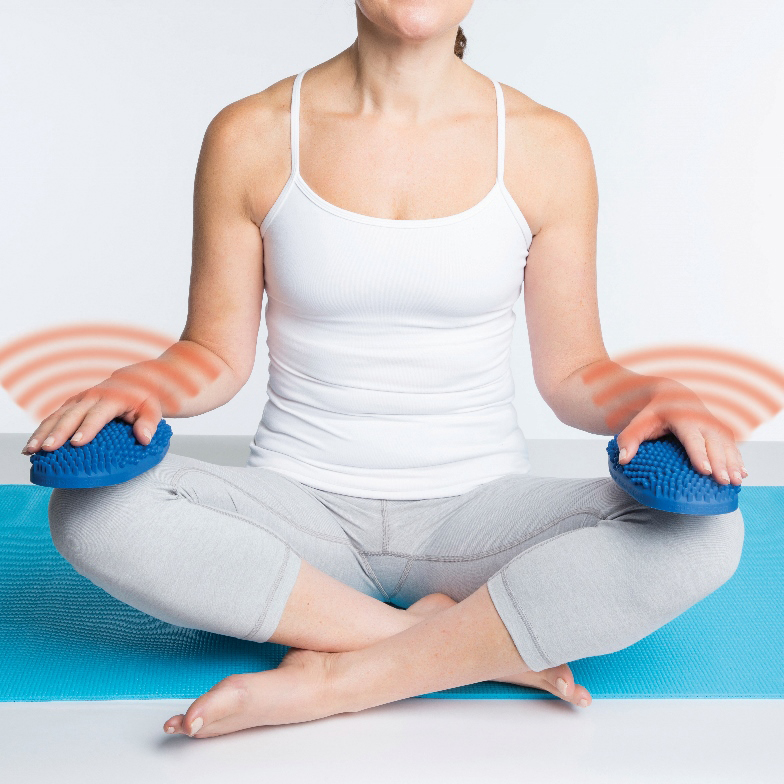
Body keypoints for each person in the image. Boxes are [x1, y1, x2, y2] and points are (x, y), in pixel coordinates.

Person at [30, 1, 746, 739]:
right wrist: (142, 383)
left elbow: (574, 370)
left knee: (702, 536)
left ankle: (344, 677)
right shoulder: (250, 134)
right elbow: (213, 354)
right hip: (300, 517)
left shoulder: (547, 146)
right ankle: (465, 651)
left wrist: (662, 393)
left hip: (478, 519)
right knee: (92, 510)